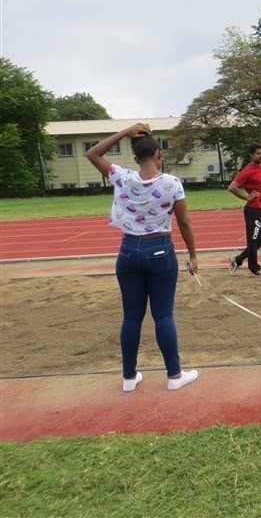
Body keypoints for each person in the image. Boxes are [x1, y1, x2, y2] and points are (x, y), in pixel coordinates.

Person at [85, 122, 199, 392]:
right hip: (160, 250)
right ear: (160, 155)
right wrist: (193, 256)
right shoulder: (172, 183)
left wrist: (125, 132)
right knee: (163, 316)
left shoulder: (122, 177)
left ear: (136, 159)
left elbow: (92, 154)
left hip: (128, 250)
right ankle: (174, 376)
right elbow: (184, 222)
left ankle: (129, 377)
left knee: (131, 317)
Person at [228, 143, 261, 277]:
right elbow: (232, 187)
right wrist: (246, 197)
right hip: (253, 209)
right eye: (258, 153)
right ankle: (255, 269)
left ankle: (237, 259)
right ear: (251, 155)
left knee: (260, 241)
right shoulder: (247, 170)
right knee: (253, 240)